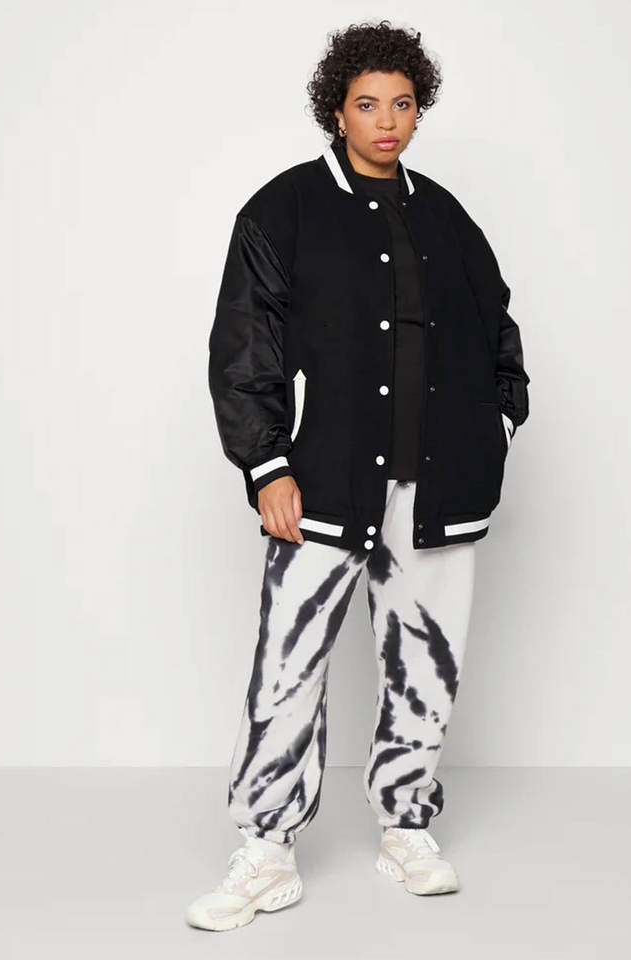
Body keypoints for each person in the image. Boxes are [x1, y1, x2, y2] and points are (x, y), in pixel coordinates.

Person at [186, 19, 530, 932]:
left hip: (439, 487)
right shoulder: (284, 210)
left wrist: (498, 419)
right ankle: (266, 850)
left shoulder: (446, 216)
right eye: (368, 104)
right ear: (335, 111)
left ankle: (406, 825)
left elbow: (497, 325)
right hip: (323, 482)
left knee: (426, 665)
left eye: (403, 104)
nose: (387, 121)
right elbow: (245, 345)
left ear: (420, 112)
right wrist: (267, 463)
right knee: (287, 669)